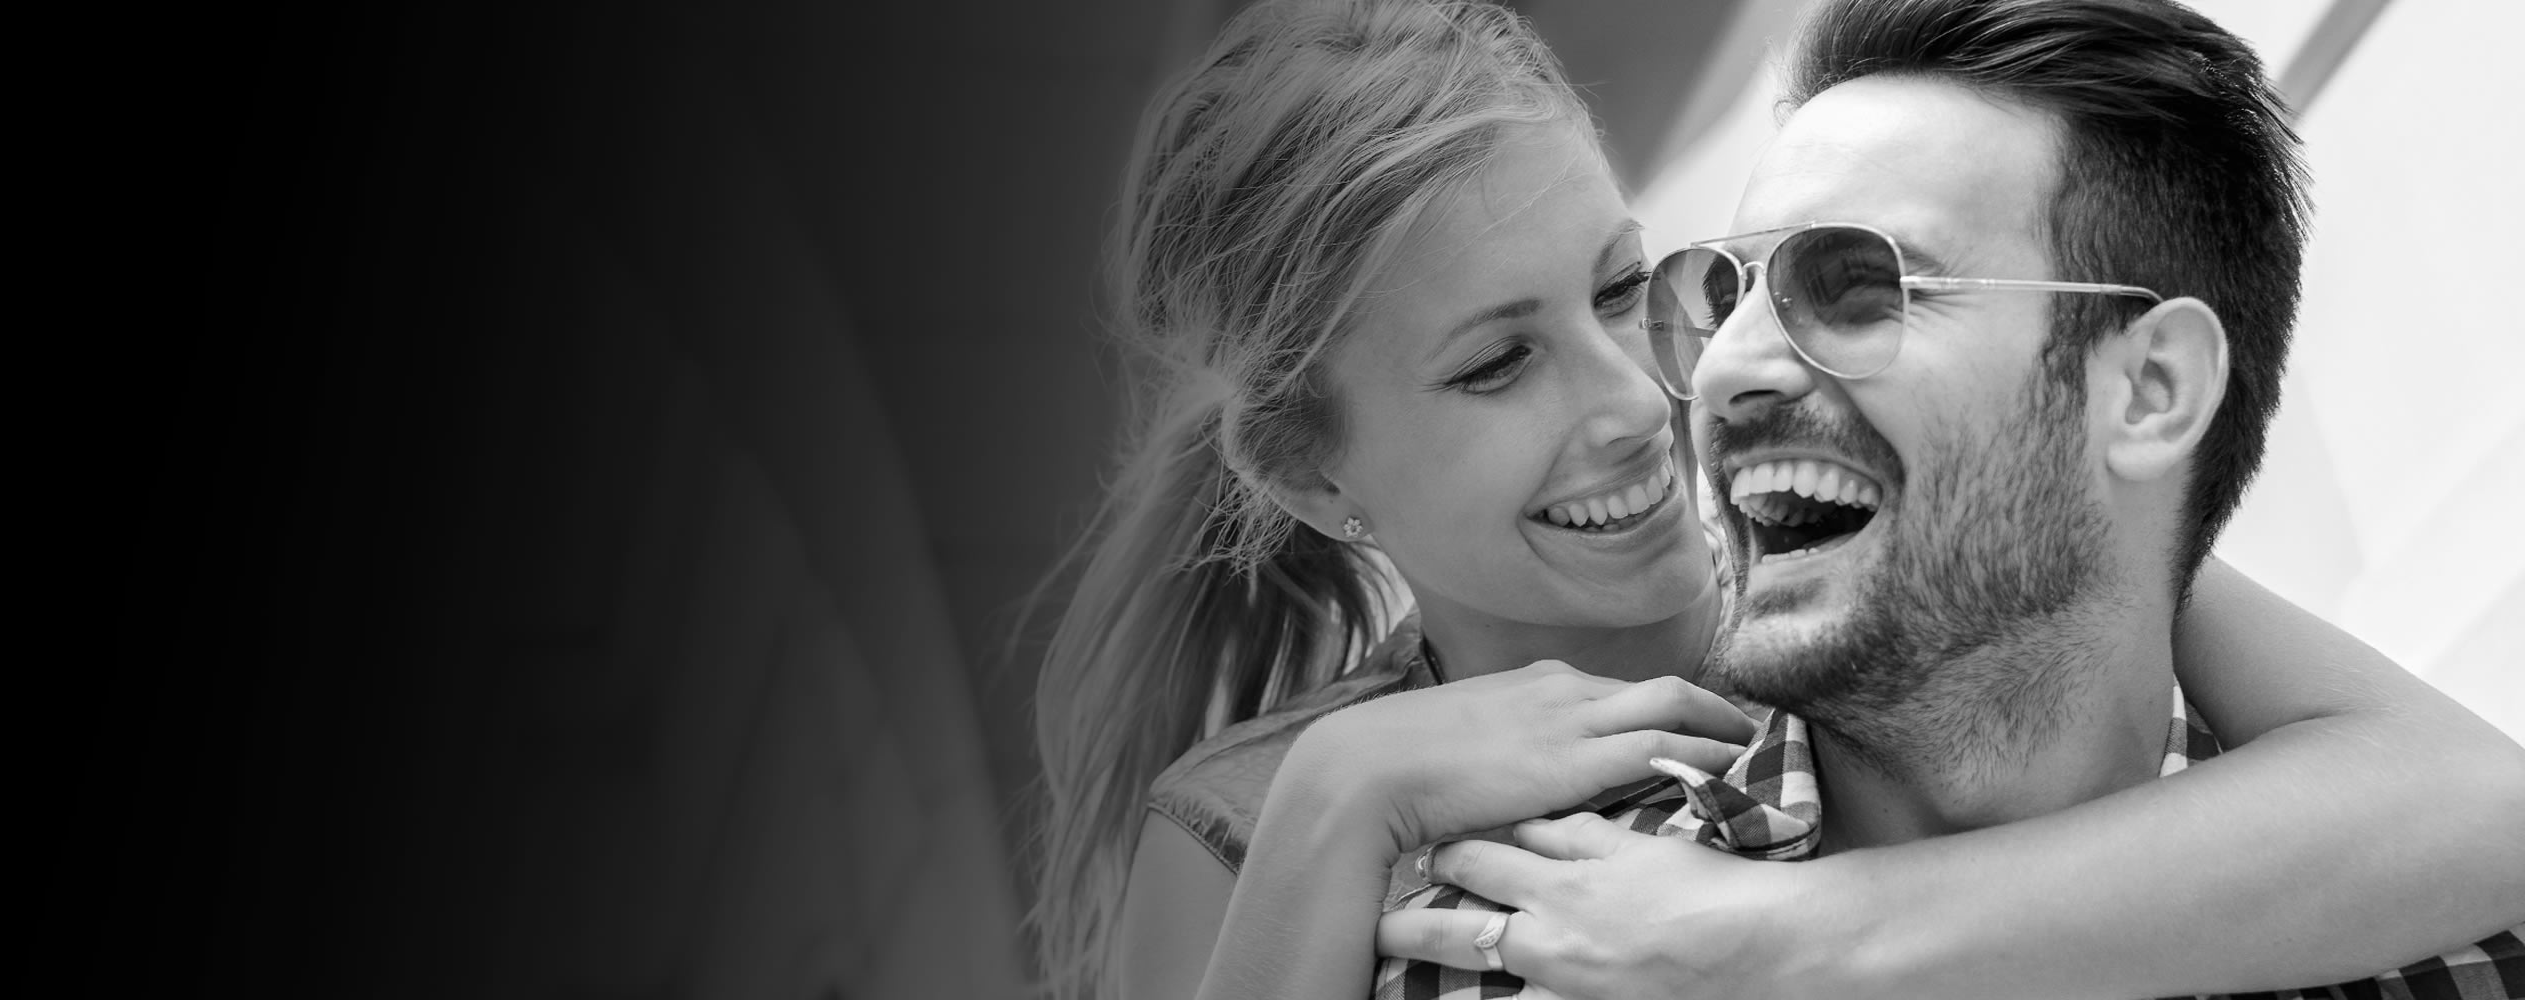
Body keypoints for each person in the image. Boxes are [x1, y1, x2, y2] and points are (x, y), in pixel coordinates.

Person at [1026, 2, 2525, 999]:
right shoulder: (1275, 832)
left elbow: (2470, 801)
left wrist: (1783, 943)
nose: (1644, 397)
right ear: (1313, 476)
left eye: (1628, 288)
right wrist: (1339, 796)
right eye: (1496, 366)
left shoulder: (1946, 537)